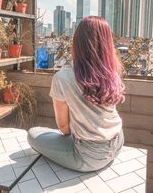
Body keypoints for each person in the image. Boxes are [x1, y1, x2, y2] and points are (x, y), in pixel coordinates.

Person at [28, 16, 125, 172]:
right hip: (118, 142)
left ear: (77, 43)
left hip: (88, 156)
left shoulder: (63, 78)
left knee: (33, 134)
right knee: (45, 134)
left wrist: (82, 128)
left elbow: (64, 127)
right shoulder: (111, 73)